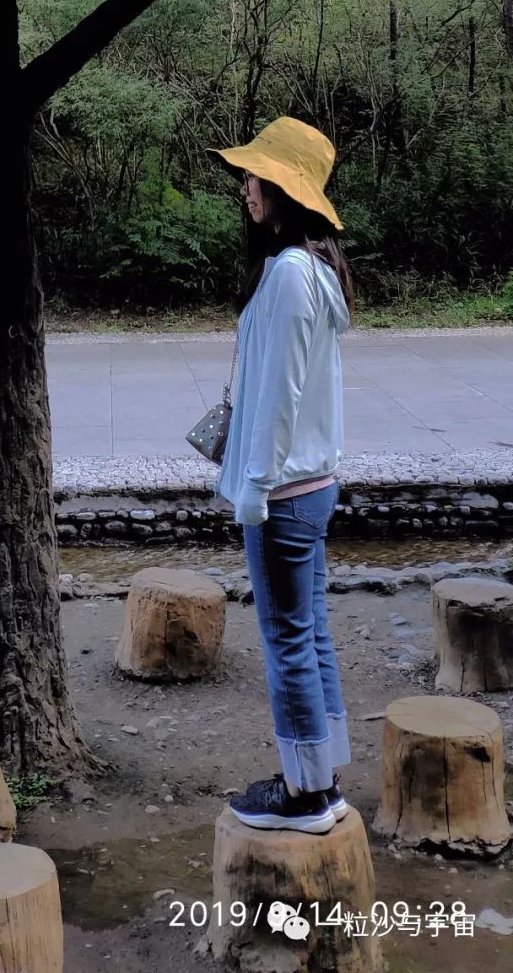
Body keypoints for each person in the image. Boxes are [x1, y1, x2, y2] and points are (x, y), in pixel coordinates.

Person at [211, 116, 353, 835]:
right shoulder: (310, 268)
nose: (246, 187)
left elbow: (279, 396)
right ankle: (323, 776)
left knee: (289, 638)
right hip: (309, 485)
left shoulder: (294, 274)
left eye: (256, 175)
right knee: (310, 632)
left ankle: (305, 796)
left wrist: (254, 493)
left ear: (285, 188)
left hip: (287, 493)